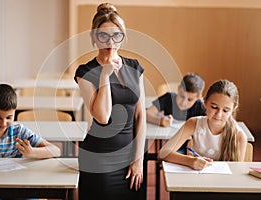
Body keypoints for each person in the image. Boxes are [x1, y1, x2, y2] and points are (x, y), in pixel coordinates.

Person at [74, 3, 146, 200]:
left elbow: (141, 116)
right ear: (94, 38)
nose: (110, 42)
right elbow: (103, 117)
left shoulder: (134, 67)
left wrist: (139, 159)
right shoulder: (85, 72)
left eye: (116, 35)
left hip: (132, 156)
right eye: (103, 35)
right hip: (99, 159)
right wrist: (105, 76)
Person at [159, 79, 247, 170]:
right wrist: (190, 161)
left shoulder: (239, 136)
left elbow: (237, 172)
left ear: (233, 109)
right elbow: (163, 153)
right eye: (214, 107)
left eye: (225, 110)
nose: (218, 114)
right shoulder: (193, 123)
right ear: (204, 102)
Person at [0, 83, 60, 162]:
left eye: (9, 117)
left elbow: (56, 151)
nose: (3, 123)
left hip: (16, 182)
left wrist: (32, 152)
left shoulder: (19, 131)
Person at [147, 73, 206, 154]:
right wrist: (160, 120)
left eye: (190, 99)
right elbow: (147, 113)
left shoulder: (200, 106)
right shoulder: (168, 98)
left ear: (198, 97)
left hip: (189, 146)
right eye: (182, 96)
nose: (184, 102)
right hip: (169, 143)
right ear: (178, 89)